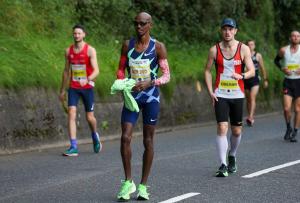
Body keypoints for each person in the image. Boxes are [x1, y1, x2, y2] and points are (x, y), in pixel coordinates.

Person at [115, 12, 170, 201]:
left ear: (150, 25)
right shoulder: (127, 45)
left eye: (142, 24)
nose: (138, 27)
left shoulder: (158, 47)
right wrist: (122, 84)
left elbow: (166, 76)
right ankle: (127, 182)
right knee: (125, 138)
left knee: (148, 141)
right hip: (132, 97)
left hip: (151, 98)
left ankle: (143, 186)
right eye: (136, 23)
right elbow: (121, 69)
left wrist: (150, 82)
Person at [204, 18, 255, 177]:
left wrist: (241, 75)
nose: (227, 32)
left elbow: (252, 71)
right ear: (221, 30)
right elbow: (207, 71)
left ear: (235, 31)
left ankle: (232, 155)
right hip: (220, 94)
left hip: (237, 95)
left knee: (237, 131)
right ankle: (223, 164)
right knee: (222, 127)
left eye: (230, 29)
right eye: (225, 29)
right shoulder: (214, 50)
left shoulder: (243, 48)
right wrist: (210, 91)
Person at [59, 24, 101, 156]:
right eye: (75, 33)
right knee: (71, 113)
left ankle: (94, 135)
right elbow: (66, 71)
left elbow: (96, 70)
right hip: (74, 87)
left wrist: (87, 79)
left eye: (79, 33)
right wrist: (62, 90)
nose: (76, 35)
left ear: (84, 35)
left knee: (90, 117)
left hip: (87, 88)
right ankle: (73, 146)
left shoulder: (90, 50)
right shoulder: (68, 51)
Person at [274, 30, 300, 142]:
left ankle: (295, 130)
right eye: (293, 36)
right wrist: (282, 68)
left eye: (297, 36)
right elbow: (276, 61)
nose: (295, 38)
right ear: (290, 38)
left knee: (298, 109)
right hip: (288, 82)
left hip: (299, 82)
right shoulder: (283, 50)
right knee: (286, 108)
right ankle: (288, 127)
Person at [244, 40, 268, 126]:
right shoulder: (243, 55)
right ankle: (249, 114)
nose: (250, 46)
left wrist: (265, 80)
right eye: (249, 44)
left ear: (254, 46)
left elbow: (262, 68)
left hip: (255, 80)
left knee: (252, 97)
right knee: (248, 99)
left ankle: (251, 117)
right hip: (245, 79)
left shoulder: (258, 55)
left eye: (252, 44)